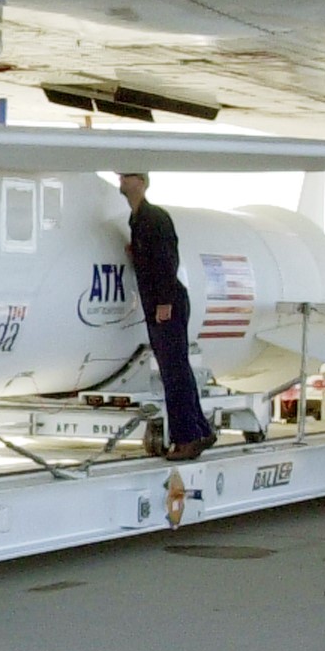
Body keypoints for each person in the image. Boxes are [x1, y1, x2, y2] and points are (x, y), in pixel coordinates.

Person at [118, 172, 213, 460]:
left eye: (129, 177)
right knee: (177, 369)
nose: (122, 180)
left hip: (166, 303)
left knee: (173, 372)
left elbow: (167, 260)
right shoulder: (136, 219)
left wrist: (164, 301)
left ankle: (187, 439)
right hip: (159, 301)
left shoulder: (154, 217)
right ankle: (200, 430)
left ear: (143, 182)